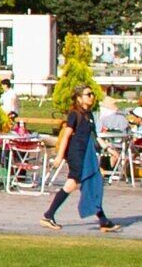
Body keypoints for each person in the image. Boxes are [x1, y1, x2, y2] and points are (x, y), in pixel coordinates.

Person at [40, 88, 112, 230]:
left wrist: (108, 148)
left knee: (88, 184)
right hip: (76, 155)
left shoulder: (89, 114)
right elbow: (66, 136)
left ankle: (103, 220)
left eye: (92, 94)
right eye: (88, 94)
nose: (91, 97)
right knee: (80, 184)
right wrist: (59, 156)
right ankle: (48, 215)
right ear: (79, 98)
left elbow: (94, 136)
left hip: (86, 155)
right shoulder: (75, 114)